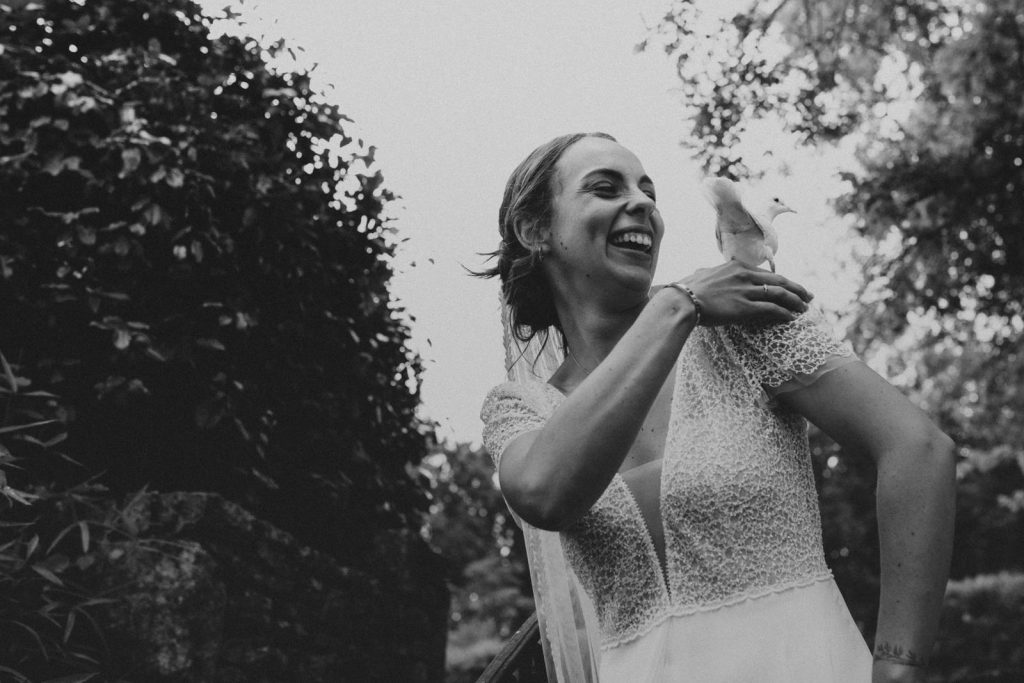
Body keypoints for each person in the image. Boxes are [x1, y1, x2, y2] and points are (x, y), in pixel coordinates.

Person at [478, 132, 956, 682]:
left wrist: (899, 664)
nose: (641, 204)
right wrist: (680, 304)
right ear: (534, 230)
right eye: (606, 188)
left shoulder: (742, 325)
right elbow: (545, 494)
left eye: (647, 191)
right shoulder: (519, 410)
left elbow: (918, 448)